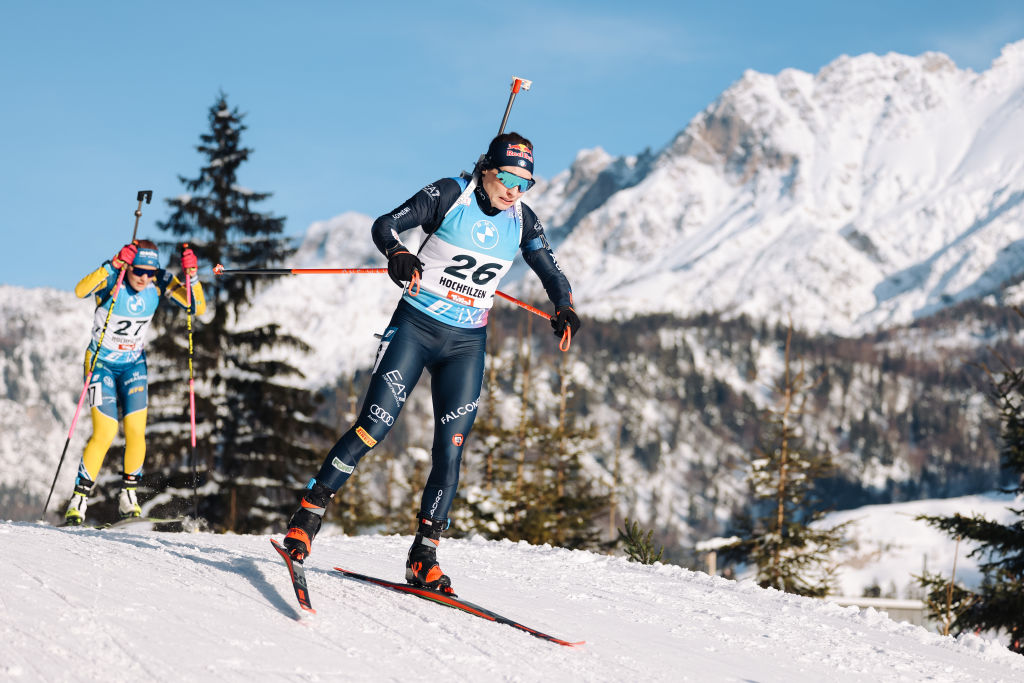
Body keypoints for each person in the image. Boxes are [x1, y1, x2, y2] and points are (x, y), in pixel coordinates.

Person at [282, 132, 581, 593]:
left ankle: (424, 556)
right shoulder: (449, 194)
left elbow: (550, 271)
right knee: (373, 427)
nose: (513, 190)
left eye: (525, 183)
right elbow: (385, 225)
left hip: (466, 345)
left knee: (451, 448)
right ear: (486, 169)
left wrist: (563, 306)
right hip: (416, 329)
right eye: (505, 177)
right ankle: (308, 517)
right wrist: (398, 252)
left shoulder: (522, 220)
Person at [64, 240, 206, 525]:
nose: (144, 278)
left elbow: (197, 308)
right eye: (139, 270)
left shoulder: (159, 281)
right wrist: (112, 265)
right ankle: (78, 500)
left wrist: (193, 277)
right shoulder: (113, 280)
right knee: (105, 431)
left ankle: (128, 496)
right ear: (129, 265)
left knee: (136, 431)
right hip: (101, 364)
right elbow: (80, 290)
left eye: (150, 272)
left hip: (133, 366)